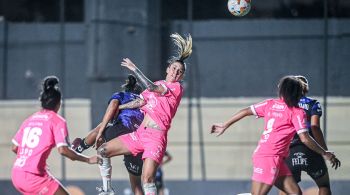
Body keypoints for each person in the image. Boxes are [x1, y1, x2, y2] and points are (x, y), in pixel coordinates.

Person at [95, 32, 192, 195]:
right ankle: (107, 189)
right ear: (168, 68)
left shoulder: (176, 88)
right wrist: (120, 108)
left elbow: (153, 89)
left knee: (147, 179)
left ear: (181, 76)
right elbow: (140, 101)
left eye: (180, 71)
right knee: (103, 151)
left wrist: (134, 69)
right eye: (174, 67)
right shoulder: (158, 84)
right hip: (140, 134)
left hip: (156, 138)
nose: (176, 71)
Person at [210, 76, 341, 195]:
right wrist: (325, 153)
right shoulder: (297, 112)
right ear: (297, 92)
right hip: (269, 157)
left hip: (277, 158)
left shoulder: (270, 104)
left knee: (295, 193)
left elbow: (246, 111)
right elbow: (305, 138)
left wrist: (225, 124)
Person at [11, 76, 98, 195]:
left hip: (16, 175)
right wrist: (88, 160)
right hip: (33, 178)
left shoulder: (29, 120)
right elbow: (63, 150)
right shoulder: (57, 120)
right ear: (59, 103)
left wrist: (31, 158)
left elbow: (14, 147)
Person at [71, 74, 145, 195]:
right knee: (136, 184)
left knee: (101, 128)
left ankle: (80, 148)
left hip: (123, 128)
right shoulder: (144, 102)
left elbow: (113, 106)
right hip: (139, 139)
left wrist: (101, 132)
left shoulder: (122, 95)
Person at [279, 75, 341, 195]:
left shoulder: (283, 105)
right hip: (311, 149)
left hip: (289, 151)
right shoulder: (313, 103)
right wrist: (324, 151)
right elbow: (314, 127)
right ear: (305, 88)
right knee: (323, 185)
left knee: (286, 188)